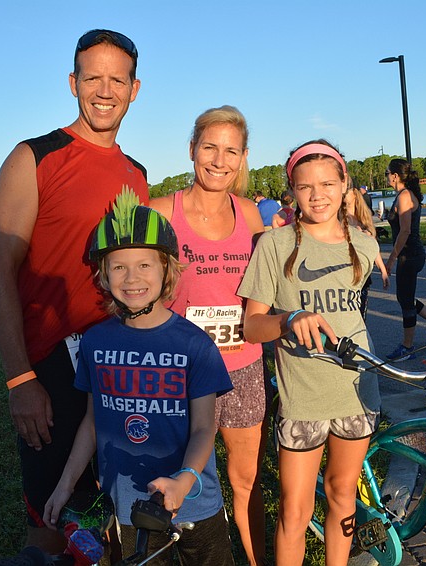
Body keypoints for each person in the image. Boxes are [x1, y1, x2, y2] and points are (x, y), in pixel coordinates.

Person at [0, 29, 147, 553]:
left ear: (134, 89)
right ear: (73, 82)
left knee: (112, 503)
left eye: (117, 80)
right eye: (93, 77)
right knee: (51, 517)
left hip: (116, 363)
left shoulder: (136, 174)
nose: (105, 90)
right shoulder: (33, 157)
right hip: (52, 367)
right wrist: (20, 379)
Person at [43, 195, 235, 565]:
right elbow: (93, 422)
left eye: (144, 264)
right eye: (119, 267)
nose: (132, 278)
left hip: (195, 502)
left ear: (167, 269)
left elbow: (203, 428)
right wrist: (66, 484)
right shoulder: (95, 343)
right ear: (103, 274)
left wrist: (184, 480)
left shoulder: (195, 344)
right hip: (131, 506)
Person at [238, 140, 381, 565]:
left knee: (343, 495)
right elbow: (251, 326)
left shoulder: (365, 244)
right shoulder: (275, 245)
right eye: (305, 187)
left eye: (327, 184)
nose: (317, 195)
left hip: (357, 392)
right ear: (292, 191)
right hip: (303, 399)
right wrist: (289, 319)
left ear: (344, 184)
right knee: (295, 511)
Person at [149, 105, 268, 566]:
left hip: (242, 368)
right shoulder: (161, 212)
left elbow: (267, 290)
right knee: (175, 480)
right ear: (192, 150)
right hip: (179, 374)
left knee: (246, 481)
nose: (219, 161)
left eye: (231, 151)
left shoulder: (251, 214)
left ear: (243, 157)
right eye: (210, 148)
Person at [383, 159, 426, 360]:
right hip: (410, 254)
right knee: (406, 297)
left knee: (405, 300)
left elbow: (405, 231)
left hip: (410, 255)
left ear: (395, 176)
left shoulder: (405, 196)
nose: (386, 177)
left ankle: (407, 347)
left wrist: (391, 259)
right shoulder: (404, 195)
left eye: (387, 173)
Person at [344, 183, 389, 320]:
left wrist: (383, 270)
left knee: (360, 317)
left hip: (363, 275)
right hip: (345, 274)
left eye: (346, 190)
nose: (343, 193)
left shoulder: (364, 218)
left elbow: (373, 247)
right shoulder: (338, 218)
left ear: (355, 193)